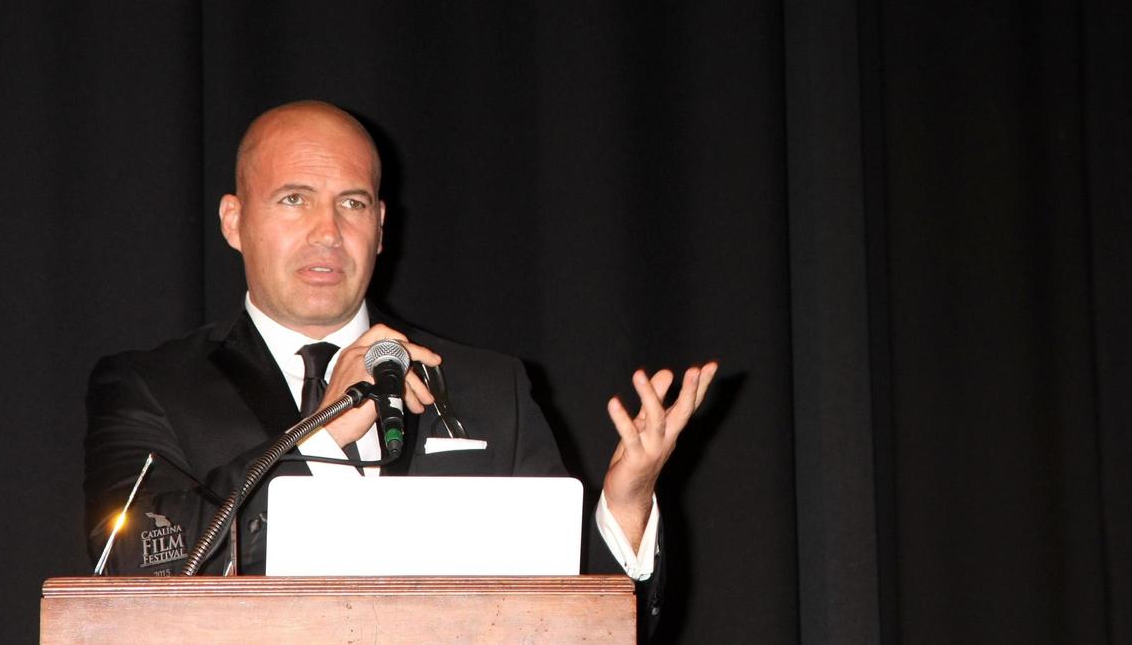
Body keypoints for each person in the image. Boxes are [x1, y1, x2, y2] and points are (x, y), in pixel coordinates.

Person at [83, 100, 716, 622]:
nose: (328, 230)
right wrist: (320, 434)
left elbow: (581, 616)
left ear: (381, 227)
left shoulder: (489, 387)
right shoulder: (152, 386)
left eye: (353, 203)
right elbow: (134, 561)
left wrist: (624, 506)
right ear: (234, 220)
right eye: (294, 199)